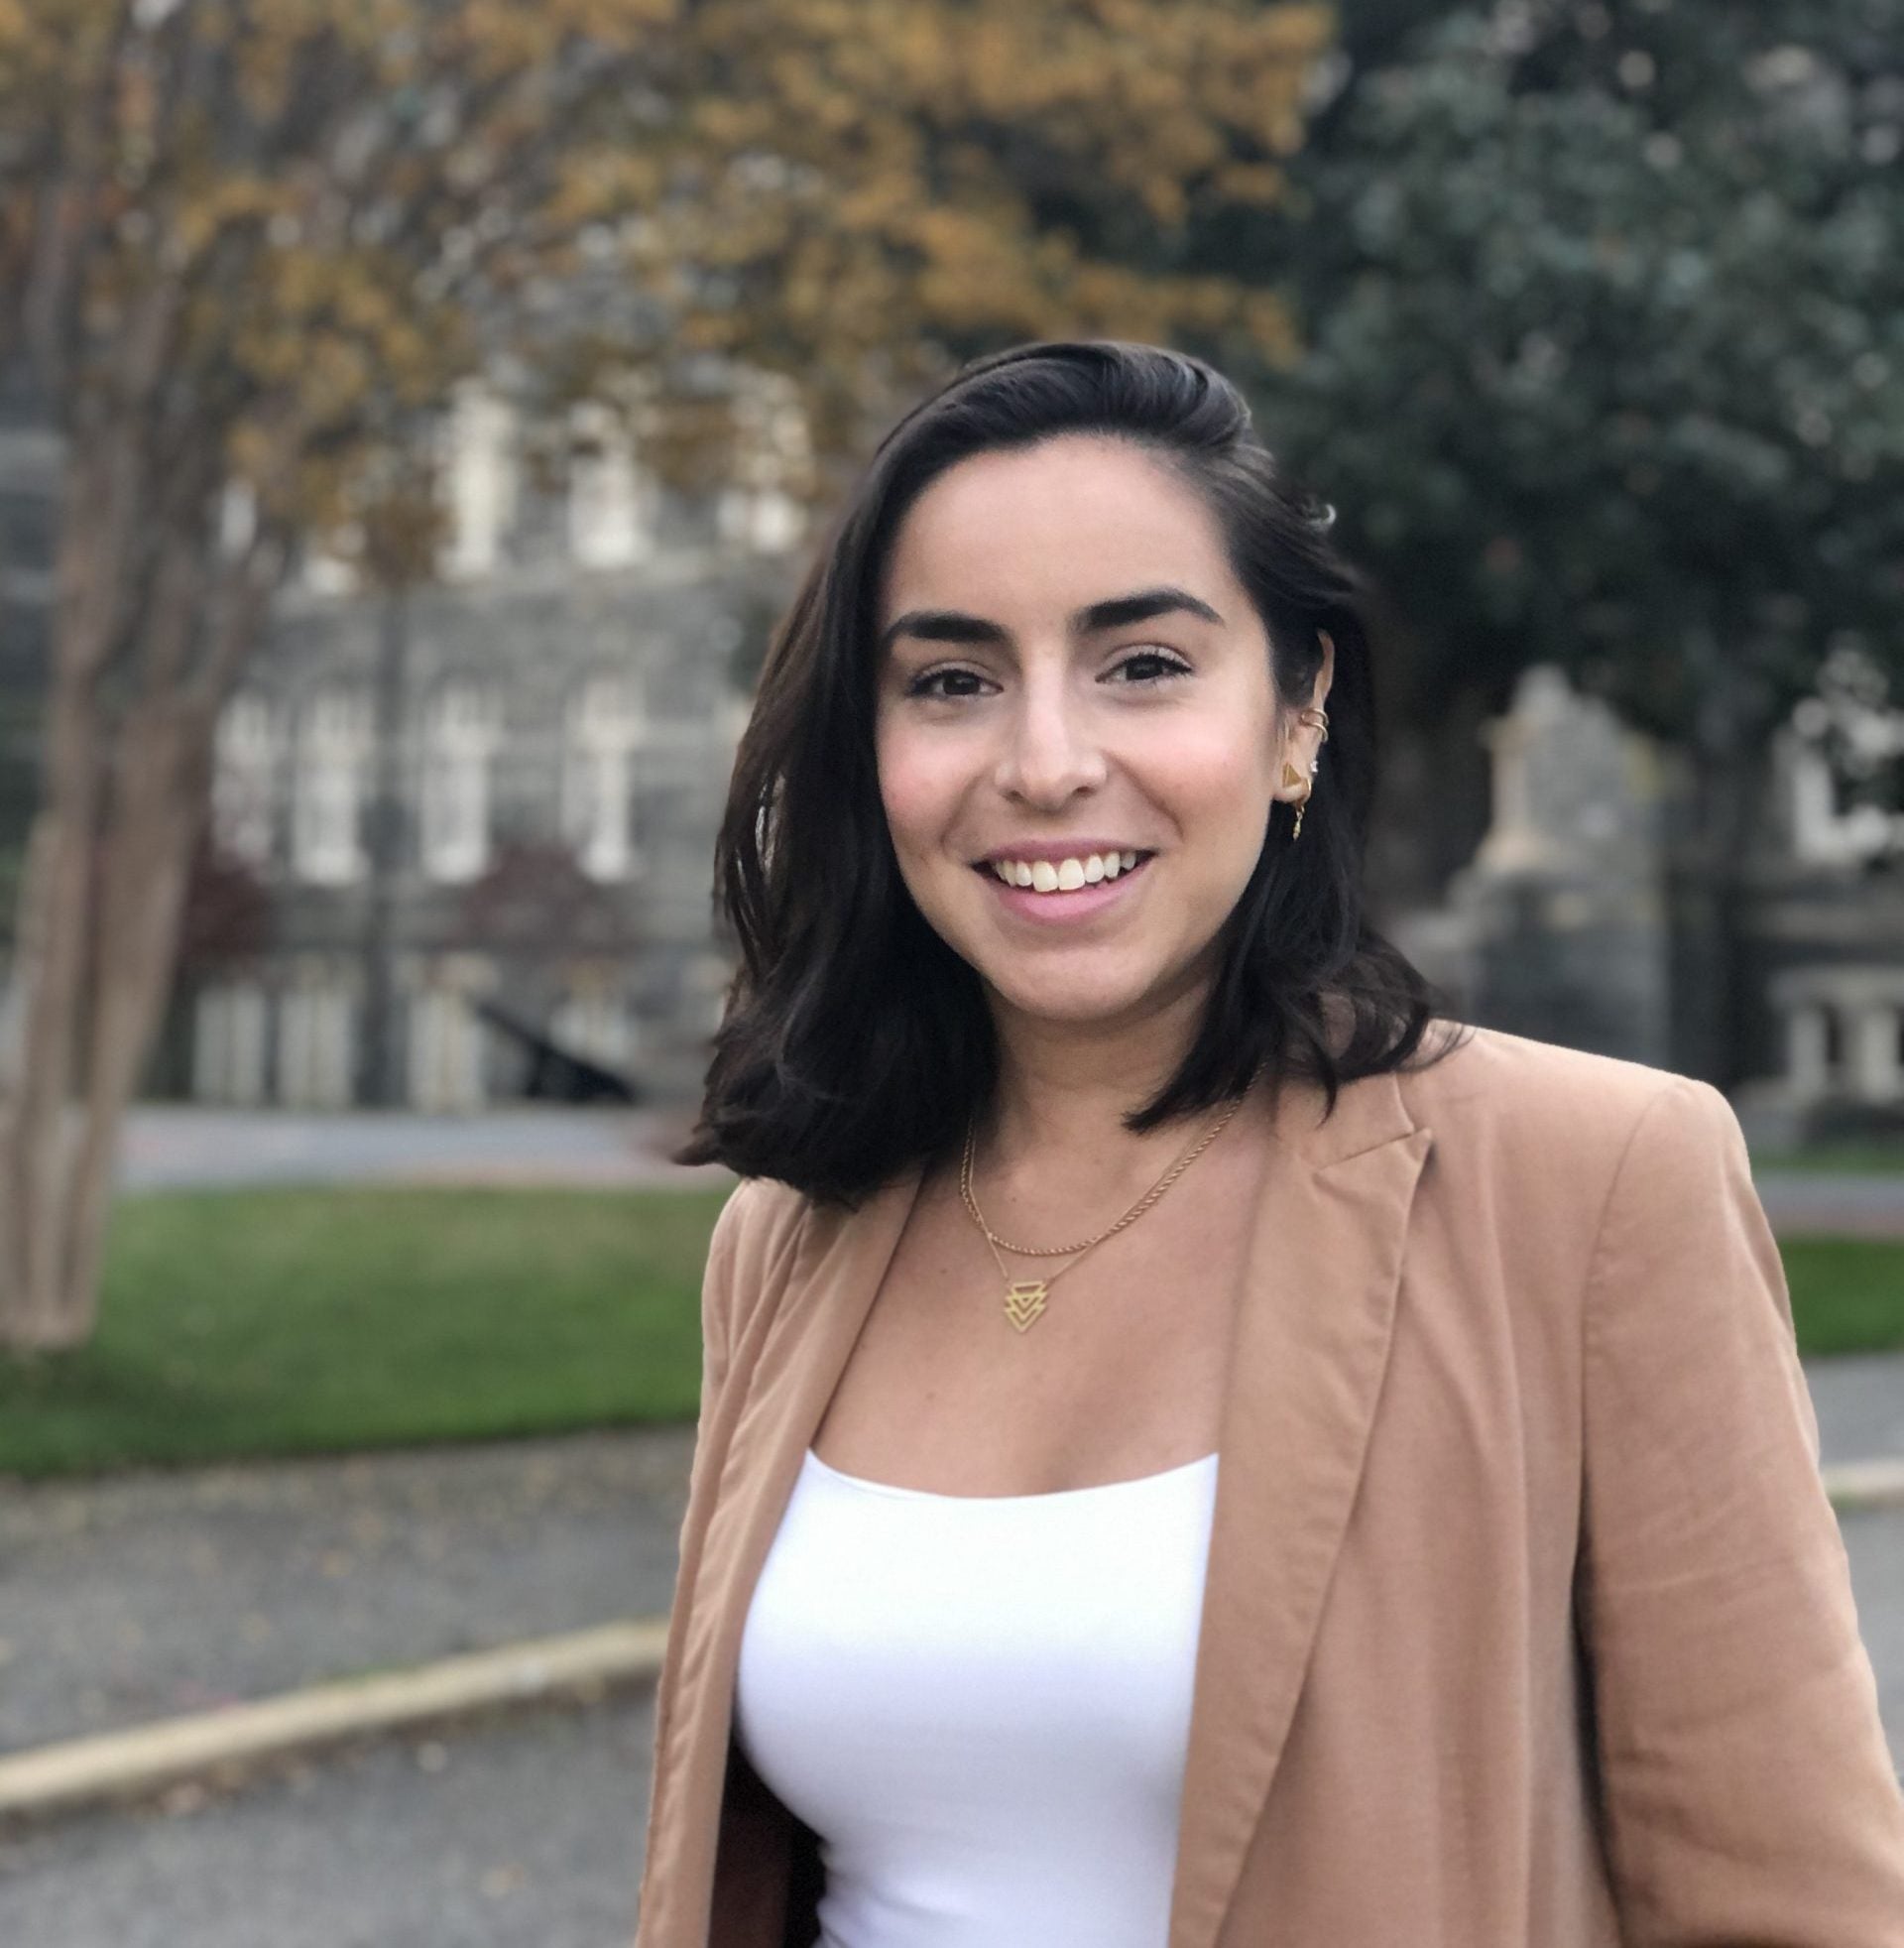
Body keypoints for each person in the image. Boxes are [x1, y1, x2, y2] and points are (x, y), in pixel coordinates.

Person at [634, 340, 1904, 1947]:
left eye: (1143, 664)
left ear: (1298, 712)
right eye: (952, 680)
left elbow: (1786, 1905)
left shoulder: (1596, 1183)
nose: (1042, 762)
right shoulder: (794, 1235)